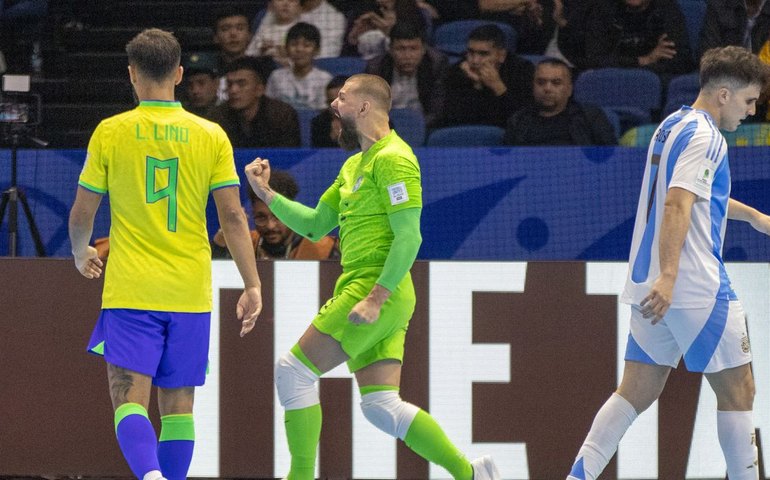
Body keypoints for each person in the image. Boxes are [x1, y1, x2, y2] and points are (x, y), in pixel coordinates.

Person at [244, 73, 502, 480]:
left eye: (342, 98)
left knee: (292, 371)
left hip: (376, 286)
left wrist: (376, 297)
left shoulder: (394, 158)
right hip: (372, 289)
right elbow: (313, 226)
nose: (333, 105)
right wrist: (267, 195)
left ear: (364, 107)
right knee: (381, 406)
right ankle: (471, 474)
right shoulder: (353, 165)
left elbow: (409, 235)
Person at [566, 46, 770, 480]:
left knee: (635, 391)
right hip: (693, 285)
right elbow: (677, 204)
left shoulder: (671, 125)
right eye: (749, 101)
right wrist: (672, 276)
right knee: (740, 392)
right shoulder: (707, 137)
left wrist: (753, 217)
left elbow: (694, 197)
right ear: (722, 94)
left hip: (650, 286)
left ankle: (577, 477)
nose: (751, 112)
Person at [68, 29, 262, 480]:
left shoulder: (111, 132)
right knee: (178, 409)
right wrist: (252, 283)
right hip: (189, 291)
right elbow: (232, 217)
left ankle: (150, 476)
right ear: (178, 74)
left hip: (132, 289)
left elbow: (82, 213)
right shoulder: (211, 135)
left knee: (128, 399)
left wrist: (81, 254)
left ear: (132, 75)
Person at [212, 169, 340, 259]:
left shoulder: (325, 248)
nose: (270, 226)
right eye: (261, 217)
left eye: (278, 217)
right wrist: (224, 237)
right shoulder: (245, 243)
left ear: (291, 212)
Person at [435, 23, 534, 128]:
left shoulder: (522, 70)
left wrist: (498, 87)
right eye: (471, 52)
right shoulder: (456, 71)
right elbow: (454, 120)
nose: (475, 60)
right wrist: (477, 85)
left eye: (483, 54)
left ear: (501, 55)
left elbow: (523, 121)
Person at [503, 58, 617, 145]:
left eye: (556, 83)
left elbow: (610, 159)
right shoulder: (518, 120)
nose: (547, 88)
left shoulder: (590, 117)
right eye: (541, 82)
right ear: (533, 87)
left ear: (569, 89)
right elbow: (507, 163)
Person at [365, 21, 448, 126]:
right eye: (400, 49)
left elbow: (436, 111)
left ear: (423, 49)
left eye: (413, 49)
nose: (407, 56)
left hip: (424, 126)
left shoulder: (435, 65)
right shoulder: (376, 69)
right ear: (390, 50)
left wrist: (416, 127)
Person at [582, 0, 695, 76]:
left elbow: (681, 62)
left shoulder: (666, 9)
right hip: (612, 81)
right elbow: (594, 60)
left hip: (656, 82)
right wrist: (644, 60)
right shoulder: (603, 9)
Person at [210, 56, 301, 147]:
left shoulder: (282, 115)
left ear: (259, 89)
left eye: (241, 84)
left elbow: (289, 156)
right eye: (229, 84)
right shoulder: (217, 117)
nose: (233, 90)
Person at [265, 22, 333, 110]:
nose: (299, 49)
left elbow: (324, 115)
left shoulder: (324, 80)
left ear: (317, 50)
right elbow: (268, 109)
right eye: (294, 44)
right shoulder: (276, 77)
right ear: (286, 48)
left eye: (307, 45)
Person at [245, 0, 302, 66]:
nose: (285, 4)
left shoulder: (302, 31)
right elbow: (249, 56)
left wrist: (285, 58)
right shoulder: (264, 29)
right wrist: (261, 52)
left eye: (291, 0)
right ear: (271, 5)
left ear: (300, 7)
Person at [181, 52, 220, 119]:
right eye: (190, 84)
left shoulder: (229, 114)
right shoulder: (182, 115)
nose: (195, 90)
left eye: (201, 83)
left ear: (216, 83)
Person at [311, 74, 346, 147]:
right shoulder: (319, 123)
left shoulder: (370, 121)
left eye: (342, 100)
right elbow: (318, 154)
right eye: (331, 101)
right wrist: (332, 139)